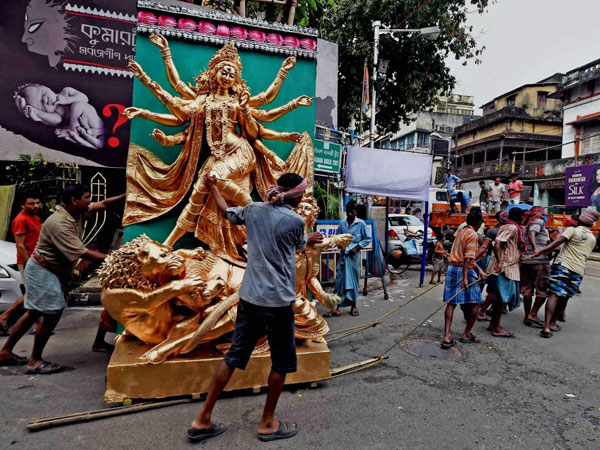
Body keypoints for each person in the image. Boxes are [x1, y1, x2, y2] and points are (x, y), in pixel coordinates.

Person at [188, 173, 324, 443]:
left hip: (249, 298)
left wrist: (213, 187)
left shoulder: (253, 210)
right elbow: (299, 245)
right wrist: (309, 239)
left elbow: (226, 212)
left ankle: (202, 420)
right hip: (278, 302)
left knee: (233, 357)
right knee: (281, 362)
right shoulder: (295, 221)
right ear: (297, 196)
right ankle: (267, 423)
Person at [0, 184, 119, 372]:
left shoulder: (76, 211)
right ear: (74, 200)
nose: (90, 200)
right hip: (43, 269)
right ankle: (35, 361)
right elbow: (84, 253)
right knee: (52, 313)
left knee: (33, 313)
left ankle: (5, 352)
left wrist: (128, 195)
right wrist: (117, 258)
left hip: (50, 269)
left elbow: (103, 204)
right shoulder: (59, 223)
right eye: (87, 197)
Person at [531, 208, 600, 338]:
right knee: (565, 297)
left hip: (562, 267)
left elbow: (557, 242)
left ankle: (546, 327)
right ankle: (552, 323)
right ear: (592, 224)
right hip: (578, 270)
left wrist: (540, 251)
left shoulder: (572, 230)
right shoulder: (592, 238)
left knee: (554, 295)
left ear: (579, 220)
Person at [0, 191, 42, 336]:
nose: (35, 206)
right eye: (31, 203)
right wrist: (30, 263)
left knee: (34, 293)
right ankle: (7, 317)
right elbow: (20, 245)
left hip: (37, 261)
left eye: (37, 203)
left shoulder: (35, 218)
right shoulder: (20, 220)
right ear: (22, 205)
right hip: (28, 262)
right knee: (34, 293)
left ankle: (6, 317)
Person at [441, 209, 484, 349]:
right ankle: (466, 334)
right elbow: (468, 258)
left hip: (452, 268)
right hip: (463, 269)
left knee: (451, 302)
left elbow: (467, 257)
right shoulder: (473, 234)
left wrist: (480, 270)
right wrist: (465, 277)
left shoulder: (462, 232)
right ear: (479, 223)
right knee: (476, 302)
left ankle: (447, 336)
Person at [325, 200, 372, 318]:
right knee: (339, 282)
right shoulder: (342, 224)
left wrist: (357, 247)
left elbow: (368, 238)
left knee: (354, 281)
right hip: (343, 257)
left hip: (354, 258)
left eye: (352, 211)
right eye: (348, 212)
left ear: (356, 212)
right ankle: (335, 307)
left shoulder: (361, 224)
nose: (350, 214)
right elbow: (337, 239)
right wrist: (340, 246)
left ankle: (354, 306)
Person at [489, 207, 525, 338]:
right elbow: (498, 243)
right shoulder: (513, 227)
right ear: (520, 217)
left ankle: (493, 325)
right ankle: (496, 328)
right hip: (506, 268)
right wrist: (500, 262)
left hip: (507, 266)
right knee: (502, 300)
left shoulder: (506, 226)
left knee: (499, 298)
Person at [521, 207, 551, 327]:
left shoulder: (526, 224)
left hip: (526, 261)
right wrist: (535, 248)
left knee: (527, 290)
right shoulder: (537, 221)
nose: (544, 215)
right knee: (542, 290)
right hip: (538, 261)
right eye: (543, 213)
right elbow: (532, 233)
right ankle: (533, 314)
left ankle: (527, 316)